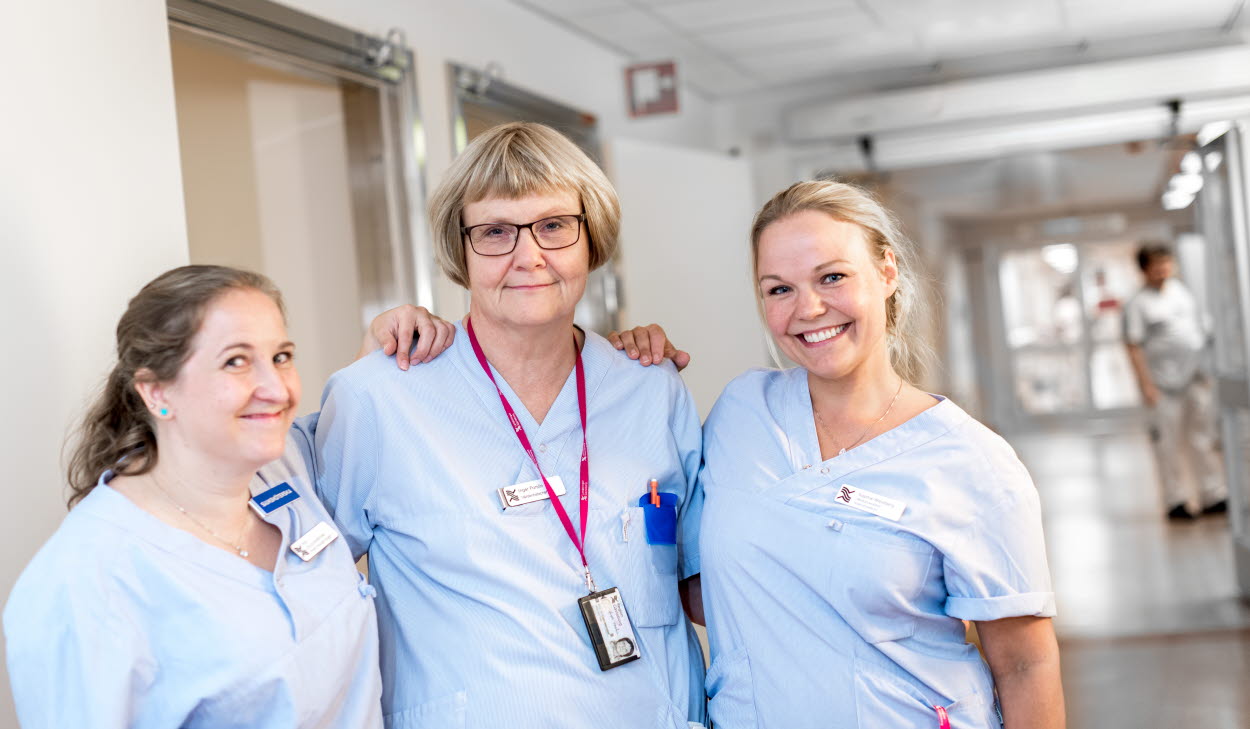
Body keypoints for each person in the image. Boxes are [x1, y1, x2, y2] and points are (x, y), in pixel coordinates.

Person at [613, 180, 1065, 728]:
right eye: (778, 289)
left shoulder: (972, 461)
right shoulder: (741, 412)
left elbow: (1025, 665)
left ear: (887, 272)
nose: (809, 308)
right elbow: (705, 590)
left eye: (832, 277)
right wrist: (618, 373)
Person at [300, 122, 706, 729]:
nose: (529, 256)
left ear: (590, 238)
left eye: (553, 226)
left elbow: (703, 582)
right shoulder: (378, 400)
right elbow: (306, 590)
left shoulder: (651, 389)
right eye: (494, 232)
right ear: (459, 252)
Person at [4, 265, 387, 728]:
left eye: (282, 356)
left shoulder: (280, 475)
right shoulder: (87, 579)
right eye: (236, 361)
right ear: (157, 392)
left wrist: (386, 341)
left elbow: (344, 422)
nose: (276, 389)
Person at [1124, 243, 1227, 519]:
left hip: (1193, 378)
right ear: (1144, 269)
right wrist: (1145, 384)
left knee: (1201, 438)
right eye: (1156, 265)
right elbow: (1132, 345)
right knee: (1167, 444)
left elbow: (1196, 333)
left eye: (1166, 263)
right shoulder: (1138, 303)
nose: (1163, 269)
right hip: (1163, 386)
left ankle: (1212, 494)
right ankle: (1175, 500)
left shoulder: (1181, 293)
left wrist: (1204, 371)